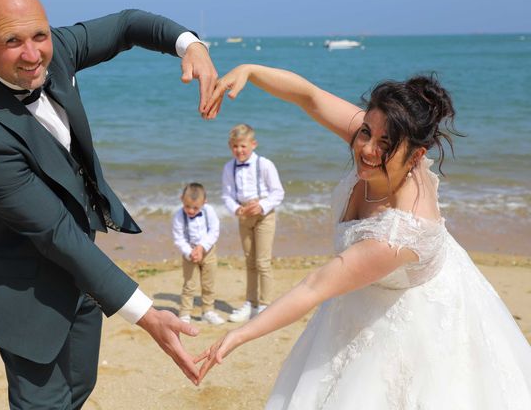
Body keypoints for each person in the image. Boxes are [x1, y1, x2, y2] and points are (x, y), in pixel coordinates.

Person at [0, 0, 219, 409]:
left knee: (78, 391)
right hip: (24, 292)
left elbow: (128, 25)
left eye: (40, 35)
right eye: (13, 41)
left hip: (84, 277)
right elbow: (54, 232)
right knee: (45, 404)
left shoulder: (56, 49)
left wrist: (190, 45)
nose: (33, 55)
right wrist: (147, 314)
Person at [198, 64, 531, 409]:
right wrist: (250, 71)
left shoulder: (399, 234)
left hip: (417, 317)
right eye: (365, 133)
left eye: (385, 143)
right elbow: (309, 97)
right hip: (363, 296)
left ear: (417, 154)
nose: (367, 149)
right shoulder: (378, 140)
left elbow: (314, 287)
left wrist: (239, 334)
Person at [221, 123, 284, 322]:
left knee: (262, 262)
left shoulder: (265, 164)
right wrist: (236, 209)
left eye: (243, 146)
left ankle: (265, 305)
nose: (239, 150)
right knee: (249, 261)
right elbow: (227, 195)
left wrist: (262, 206)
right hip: (243, 215)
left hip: (264, 215)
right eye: (235, 147)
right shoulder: (229, 167)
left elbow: (278, 192)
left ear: (253, 144)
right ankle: (251, 303)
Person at [172, 183, 224, 325]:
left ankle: (208, 311)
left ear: (204, 202)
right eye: (187, 206)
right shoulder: (178, 216)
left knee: (208, 283)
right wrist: (191, 253)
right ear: (181, 199)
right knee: (189, 284)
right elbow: (179, 238)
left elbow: (214, 231)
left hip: (208, 251)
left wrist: (202, 247)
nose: (191, 210)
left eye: (195, 207)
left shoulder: (209, 211)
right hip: (189, 252)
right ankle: (184, 314)